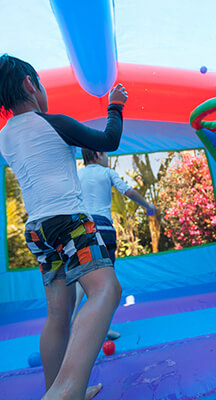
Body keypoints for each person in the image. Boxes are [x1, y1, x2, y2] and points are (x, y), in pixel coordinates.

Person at [0, 54, 128, 400]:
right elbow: (108, 141)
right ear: (30, 84)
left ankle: (54, 390)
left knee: (58, 313)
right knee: (107, 290)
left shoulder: (5, 137)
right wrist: (115, 106)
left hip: (37, 230)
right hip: (68, 221)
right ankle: (67, 391)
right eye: (39, 84)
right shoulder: (52, 122)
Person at [71, 149, 157, 339]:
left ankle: (70, 319)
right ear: (99, 154)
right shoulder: (107, 172)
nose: (108, 159)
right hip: (103, 228)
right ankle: (102, 326)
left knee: (82, 275)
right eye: (107, 155)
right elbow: (129, 191)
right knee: (106, 282)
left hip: (82, 229)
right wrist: (148, 207)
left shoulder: (77, 174)